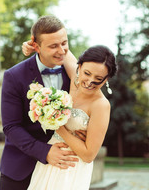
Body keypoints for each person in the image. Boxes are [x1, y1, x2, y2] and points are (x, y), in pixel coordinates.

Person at [0, 15, 79, 190]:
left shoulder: (75, 73)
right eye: (53, 46)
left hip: (63, 171)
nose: (61, 51)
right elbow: (11, 127)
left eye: (64, 43)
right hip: (19, 170)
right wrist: (45, 151)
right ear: (36, 46)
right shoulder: (13, 76)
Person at [23, 42, 117, 190]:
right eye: (87, 73)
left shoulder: (101, 105)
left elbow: (88, 155)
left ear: (106, 79)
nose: (90, 81)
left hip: (72, 167)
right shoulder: (74, 77)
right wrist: (33, 43)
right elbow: (58, 41)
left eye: (98, 79)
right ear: (79, 66)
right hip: (50, 158)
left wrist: (59, 128)